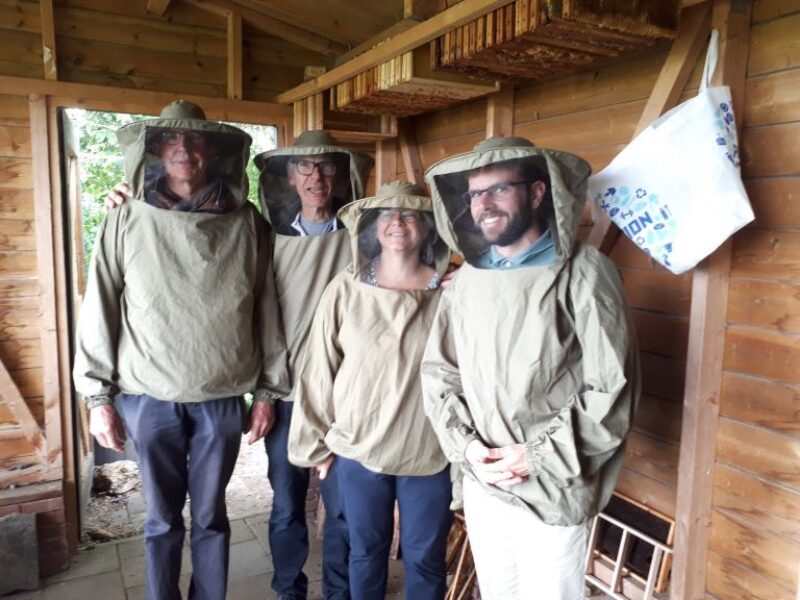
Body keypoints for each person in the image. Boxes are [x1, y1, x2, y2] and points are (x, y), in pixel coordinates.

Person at [74, 100, 289, 600]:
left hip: (221, 396)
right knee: (160, 520)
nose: (184, 150)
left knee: (213, 518)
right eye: (173, 141)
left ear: (213, 153)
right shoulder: (125, 216)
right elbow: (100, 302)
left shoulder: (246, 221)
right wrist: (97, 398)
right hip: (148, 396)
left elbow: (266, 307)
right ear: (156, 151)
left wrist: (266, 393)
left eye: (195, 141)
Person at [421, 137, 640, 599]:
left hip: (553, 485)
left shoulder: (584, 270)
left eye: (500, 189)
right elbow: (441, 373)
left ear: (538, 193)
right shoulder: (468, 281)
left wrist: (536, 455)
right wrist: (468, 449)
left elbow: (612, 387)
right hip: (486, 480)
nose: (485, 204)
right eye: (476, 194)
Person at [288, 181, 453, 600]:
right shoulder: (345, 289)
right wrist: (317, 444)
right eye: (387, 216)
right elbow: (319, 369)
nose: (398, 224)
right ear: (372, 227)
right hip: (360, 447)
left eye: (410, 215)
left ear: (428, 227)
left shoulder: (451, 292)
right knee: (365, 552)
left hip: (428, 447)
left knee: (426, 558)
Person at [254, 131, 374, 600]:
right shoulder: (269, 242)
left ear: (340, 175)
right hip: (286, 398)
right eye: (305, 167)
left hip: (346, 400)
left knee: (341, 508)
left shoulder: (363, 240)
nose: (316, 176)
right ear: (289, 177)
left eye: (325, 166)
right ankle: (289, 590)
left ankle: (338, 594)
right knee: (286, 506)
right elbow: (259, 318)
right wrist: (264, 394)